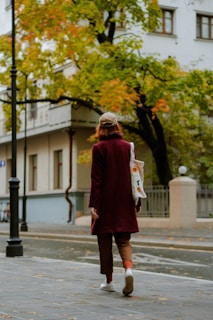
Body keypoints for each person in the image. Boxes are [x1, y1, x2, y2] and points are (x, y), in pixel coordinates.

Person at [89, 112, 140, 296]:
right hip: (124, 200)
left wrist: (93, 204)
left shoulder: (99, 148)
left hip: (105, 201)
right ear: (117, 127)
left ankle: (109, 281)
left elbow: (96, 179)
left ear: (101, 128)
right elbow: (135, 175)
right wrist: (137, 200)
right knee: (124, 240)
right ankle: (128, 269)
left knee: (104, 241)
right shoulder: (129, 147)